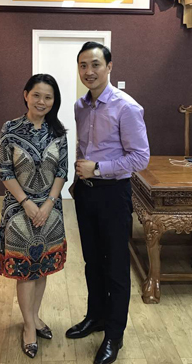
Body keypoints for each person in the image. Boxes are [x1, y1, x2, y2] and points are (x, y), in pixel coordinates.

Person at [66, 42, 150, 364]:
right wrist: (80, 177)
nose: (89, 71)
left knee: (115, 266)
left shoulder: (126, 107)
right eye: (83, 65)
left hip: (114, 194)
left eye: (95, 64)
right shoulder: (80, 106)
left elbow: (140, 158)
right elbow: (83, 146)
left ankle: (115, 334)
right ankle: (96, 316)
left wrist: (98, 168)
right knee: (92, 261)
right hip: (86, 193)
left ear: (109, 66)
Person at [0, 74, 68, 359]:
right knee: (25, 270)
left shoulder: (58, 131)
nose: (42, 101)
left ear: (54, 101)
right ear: (26, 95)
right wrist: (26, 203)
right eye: (36, 95)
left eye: (48, 97)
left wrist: (49, 204)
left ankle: (35, 317)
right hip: (19, 210)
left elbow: (62, 171)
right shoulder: (10, 129)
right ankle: (28, 326)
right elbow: (5, 171)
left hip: (50, 211)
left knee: (43, 265)